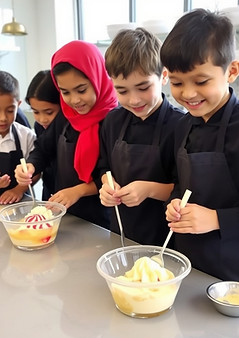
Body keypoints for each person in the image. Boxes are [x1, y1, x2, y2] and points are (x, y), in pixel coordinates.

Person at [161, 9, 239, 280]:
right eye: (177, 83)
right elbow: (180, 185)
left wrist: (217, 219)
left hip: (231, 272)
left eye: (201, 81)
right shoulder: (182, 125)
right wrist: (173, 203)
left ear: (231, 71)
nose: (188, 94)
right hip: (188, 264)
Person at [15, 40, 118, 228]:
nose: (75, 100)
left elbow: (112, 174)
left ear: (97, 77)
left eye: (81, 90)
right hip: (65, 212)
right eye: (65, 92)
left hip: (100, 218)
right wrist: (30, 166)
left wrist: (78, 191)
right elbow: (43, 150)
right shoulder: (66, 115)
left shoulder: (115, 120)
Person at [98, 28, 184, 245]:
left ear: (163, 76)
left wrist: (148, 189)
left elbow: (185, 188)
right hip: (121, 232)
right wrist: (107, 186)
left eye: (143, 87)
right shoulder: (113, 121)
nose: (134, 100)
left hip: (166, 238)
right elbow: (104, 167)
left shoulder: (181, 125)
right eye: (122, 91)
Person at [0, 70, 36, 204]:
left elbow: (36, 170)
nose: (3, 118)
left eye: (10, 111)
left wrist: (19, 189)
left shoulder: (26, 136)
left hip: (20, 203)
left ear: (18, 105)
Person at [25, 70, 61, 200]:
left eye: (49, 112)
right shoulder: (39, 126)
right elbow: (42, 152)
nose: (42, 119)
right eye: (36, 112)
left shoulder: (69, 128)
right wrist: (30, 166)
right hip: (50, 189)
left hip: (73, 195)